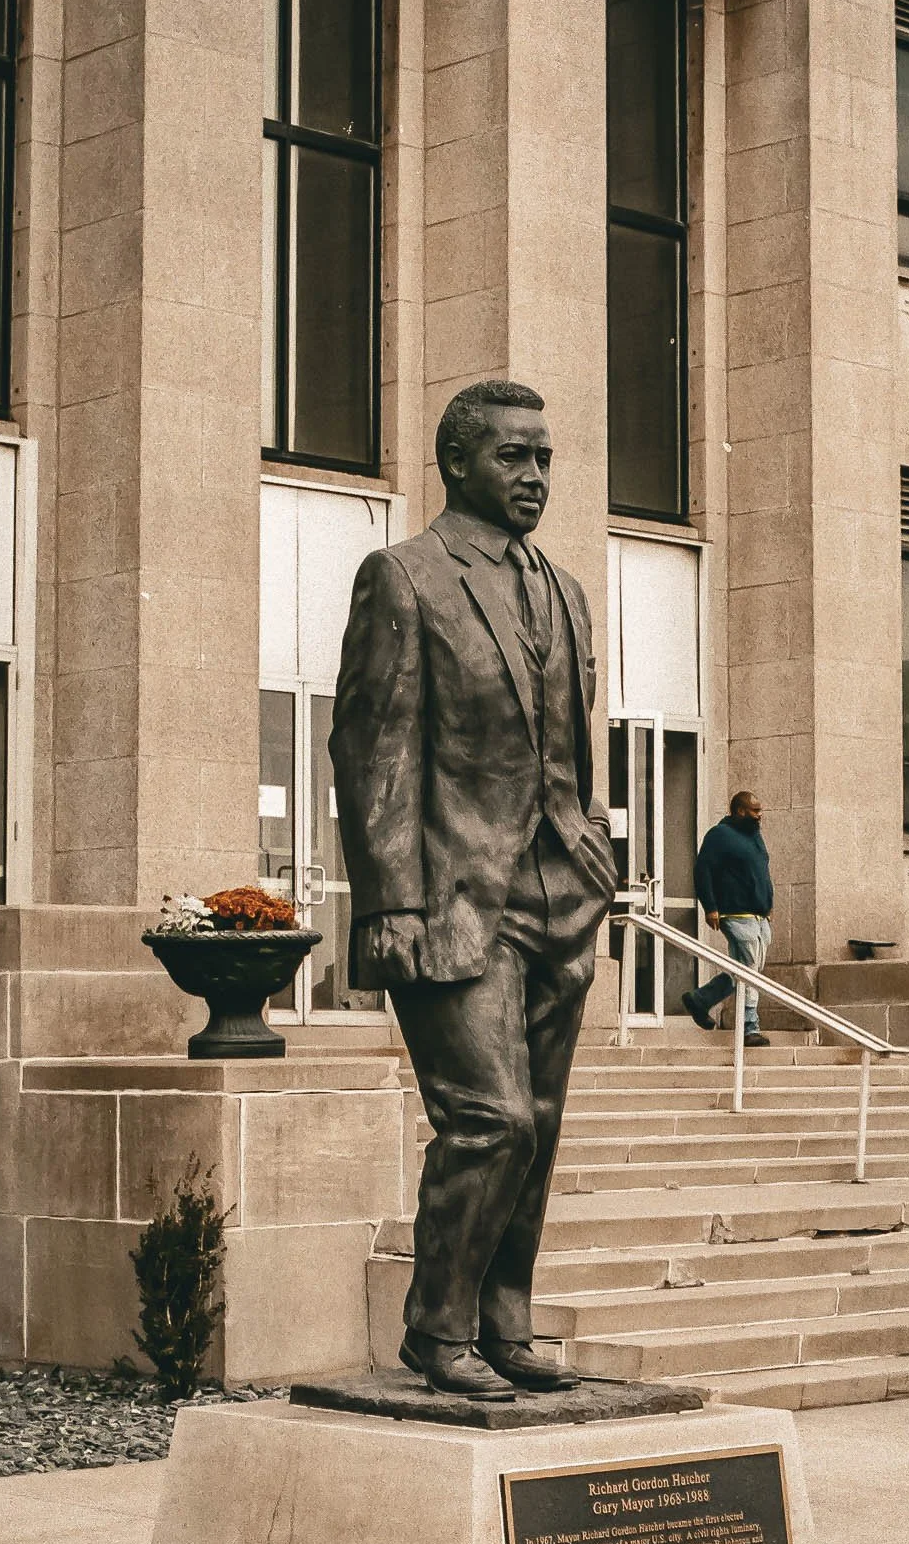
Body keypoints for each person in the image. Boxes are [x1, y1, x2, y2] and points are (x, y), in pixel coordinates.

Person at [330, 380, 619, 1401]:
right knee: (489, 1117)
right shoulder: (405, 577)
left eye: (544, 456)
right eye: (512, 456)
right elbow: (373, 750)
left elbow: (570, 743)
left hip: (559, 898)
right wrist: (391, 905)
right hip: (456, 898)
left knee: (536, 1123)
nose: (535, 475)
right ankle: (434, 1327)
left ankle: (506, 1320)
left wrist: (591, 834)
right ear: (458, 463)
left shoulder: (566, 590)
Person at [681, 792, 773, 1046]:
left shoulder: (754, 836)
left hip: (759, 915)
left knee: (745, 969)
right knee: (750, 970)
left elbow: (762, 871)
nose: (760, 815)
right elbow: (703, 870)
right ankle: (749, 1027)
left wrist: (768, 904)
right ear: (740, 811)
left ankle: (701, 999)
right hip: (736, 913)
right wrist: (710, 907)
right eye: (755, 810)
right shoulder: (719, 835)